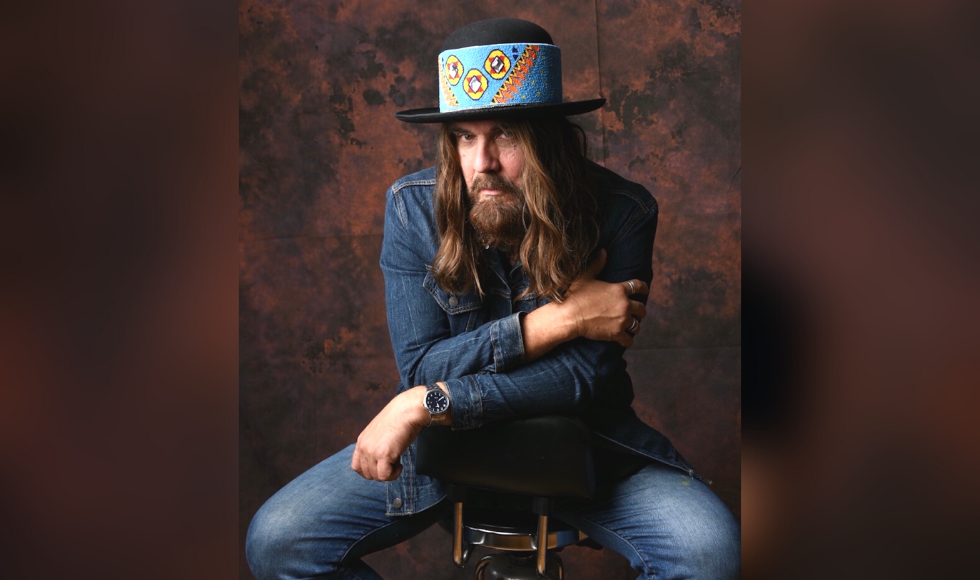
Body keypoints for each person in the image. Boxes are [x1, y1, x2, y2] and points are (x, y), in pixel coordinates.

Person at [247, 18, 739, 580]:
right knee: (278, 540)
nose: (482, 163)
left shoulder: (623, 212)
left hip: (583, 439)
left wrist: (426, 400)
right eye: (463, 136)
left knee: (708, 550)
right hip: (441, 445)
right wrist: (560, 320)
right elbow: (422, 367)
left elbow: (580, 379)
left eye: (505, 135)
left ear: (549, 138)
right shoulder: (413, 208)